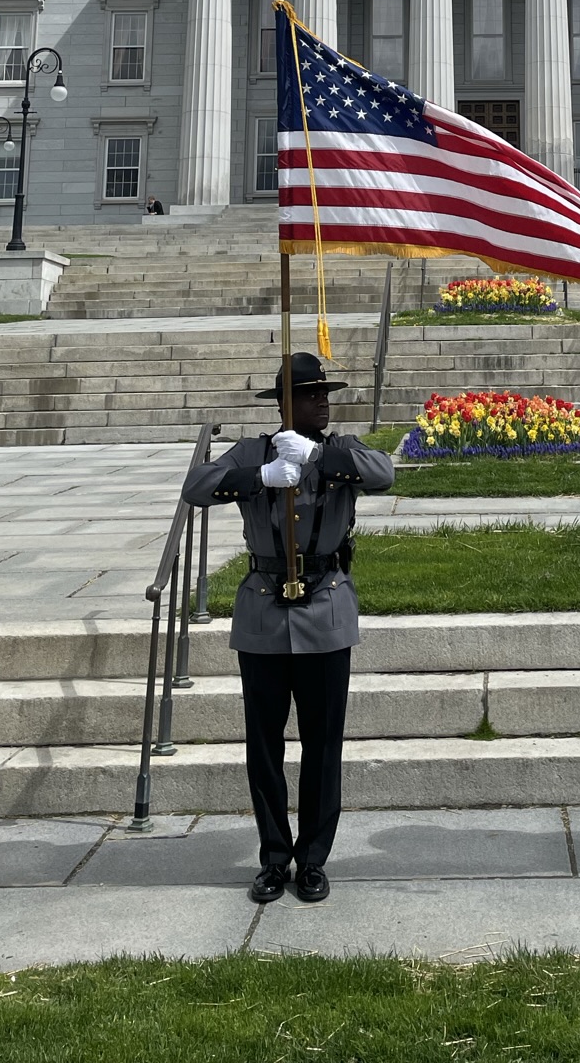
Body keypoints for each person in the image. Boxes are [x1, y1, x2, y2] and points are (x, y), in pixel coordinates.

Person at [183, 352, 395, 904]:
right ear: (284, 403)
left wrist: (320, 461)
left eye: (327, 393)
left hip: (324, 607)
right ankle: (275, 857)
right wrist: (260, 477)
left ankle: (314, 858)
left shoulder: (340, 450)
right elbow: (197, 487)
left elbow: (385, 474)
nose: (324, 402)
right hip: (263, 612)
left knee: (323, 744)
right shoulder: (257, 450)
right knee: (264, 745)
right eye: (312, 393)